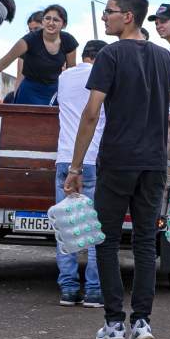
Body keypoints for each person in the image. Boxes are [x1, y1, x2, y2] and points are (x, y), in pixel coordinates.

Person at [64, 0, 170, 339]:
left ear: (128, 17)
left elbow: (91, 114)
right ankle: (141, 322)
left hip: (117, 161)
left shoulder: (109, 56)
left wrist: (75, 167)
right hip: (153, 165)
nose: (105, 17)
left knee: (105, 242)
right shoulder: (165, 59)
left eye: (109, 12)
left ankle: (113, 324)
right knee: (143, 241)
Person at [54, 39, 108, 308]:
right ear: (103, 58)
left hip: (64, 159)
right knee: (94, 229)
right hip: (92, 159)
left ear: (85, 55)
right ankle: (95, 291)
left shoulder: (64, 76)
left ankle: (68, 289)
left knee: (67, 227)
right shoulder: (105, 76)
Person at [0, 4, 78, 105]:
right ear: (43, 21)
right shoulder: (29, 40)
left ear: (64, 25)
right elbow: (3, 63)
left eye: (56, 20)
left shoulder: (69, 41)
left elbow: (71, 73)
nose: (51, 23)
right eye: (47, 18)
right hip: (29, 90)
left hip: (54, 91)